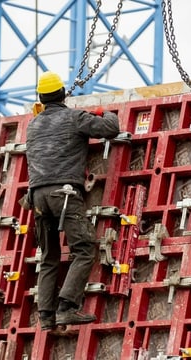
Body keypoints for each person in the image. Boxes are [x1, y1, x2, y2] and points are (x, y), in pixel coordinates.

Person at [25, 71, 120, 331]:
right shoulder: (73, 117)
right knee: (85, 248)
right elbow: (111, 129)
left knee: (49, 255)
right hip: (64, 193)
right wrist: (107, 113)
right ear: (63, 94)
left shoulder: (32, 125)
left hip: (37, 197)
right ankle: (67, 307)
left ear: (42, 99)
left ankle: (45, 316)